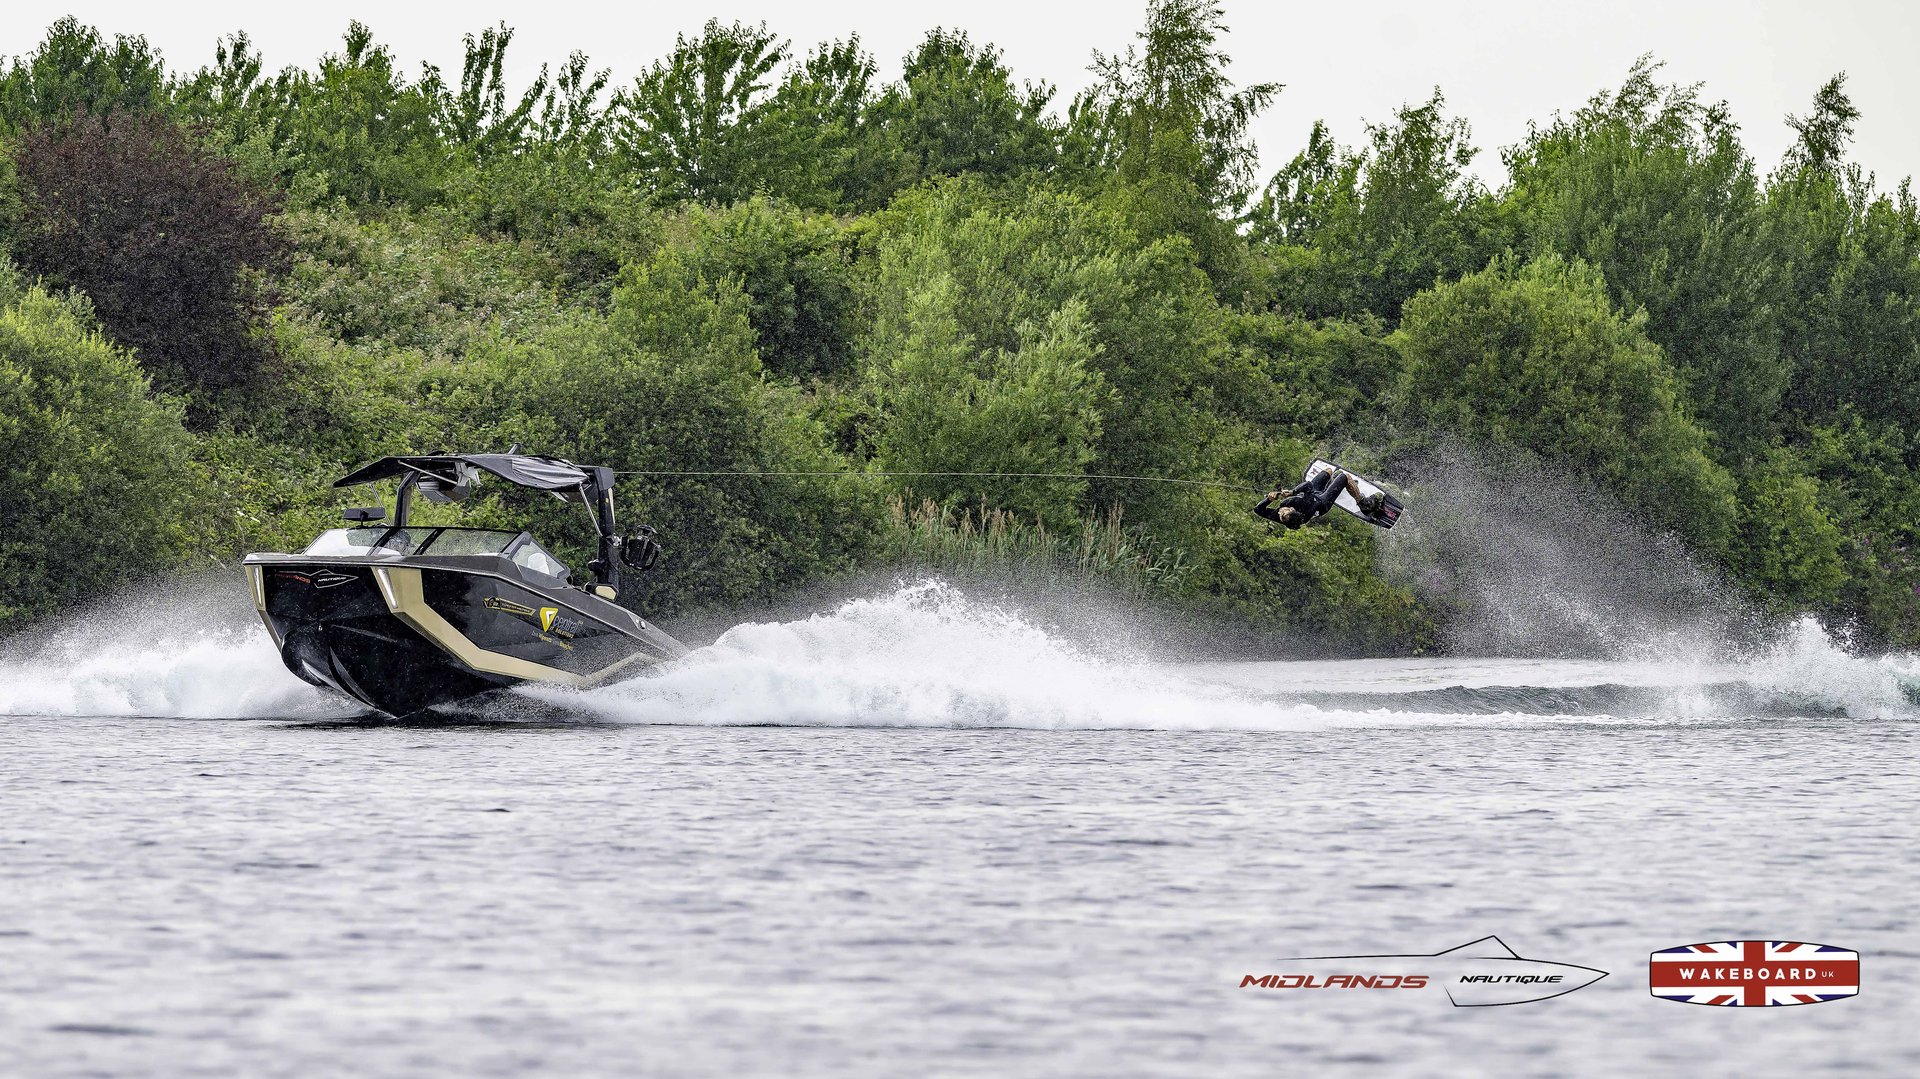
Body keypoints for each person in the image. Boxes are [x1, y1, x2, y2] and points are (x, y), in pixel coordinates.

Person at [1254, 468, 1382, 529]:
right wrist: (1293, 492)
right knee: (1344, 477)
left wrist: (1269, 500)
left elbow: (1258, 510)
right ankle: (1362, 503)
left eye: (1281, 514)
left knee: (1328, 471)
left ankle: (1332, 483)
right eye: (1283, 513)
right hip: (1322, 502)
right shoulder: (1302, 504)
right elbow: (1308, 485)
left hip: (1313, 493)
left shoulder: (1284, 518)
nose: (1279, 512)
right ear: (1292, 509)